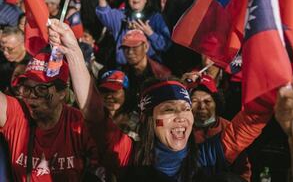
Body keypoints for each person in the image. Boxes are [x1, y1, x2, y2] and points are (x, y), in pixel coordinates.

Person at [47, 19, 273, 182]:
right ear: (149, 119)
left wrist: (277, 70)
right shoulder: (127, 156)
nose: (180, 117)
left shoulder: (208, 156)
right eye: (168, 109)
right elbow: (94, 112)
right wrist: (74, 52)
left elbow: (252, 118)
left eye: (185, 108)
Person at [0, 52, 101, 181]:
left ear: (62, 93)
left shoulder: (78, 124)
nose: (31, 96)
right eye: (26, 88)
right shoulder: (17, 113)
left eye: (41, 89)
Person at [189, 74, 252, 181]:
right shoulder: (182, 130)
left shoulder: (229, 129)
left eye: (207, 101)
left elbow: (243, 170)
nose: (201, 107)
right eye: (195, 101)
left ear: (216, 103)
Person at [93, 0, 171, 65]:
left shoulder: (156, 18)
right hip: (124, 67)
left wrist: (150, 33)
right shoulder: (121, 16)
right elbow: (105, 14)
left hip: (148, 69)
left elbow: (165, 45)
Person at [97, 70, 139, 141]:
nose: (109, 96)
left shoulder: (137, 122)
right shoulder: (93, 118)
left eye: (114, 91)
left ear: (126, 93)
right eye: (105, 91)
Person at [0, 27, 30, 92]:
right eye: (2, 48)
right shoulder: (2, 64)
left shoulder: (33, 62)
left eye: (10, 49)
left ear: (23, 45)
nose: (5, 53)